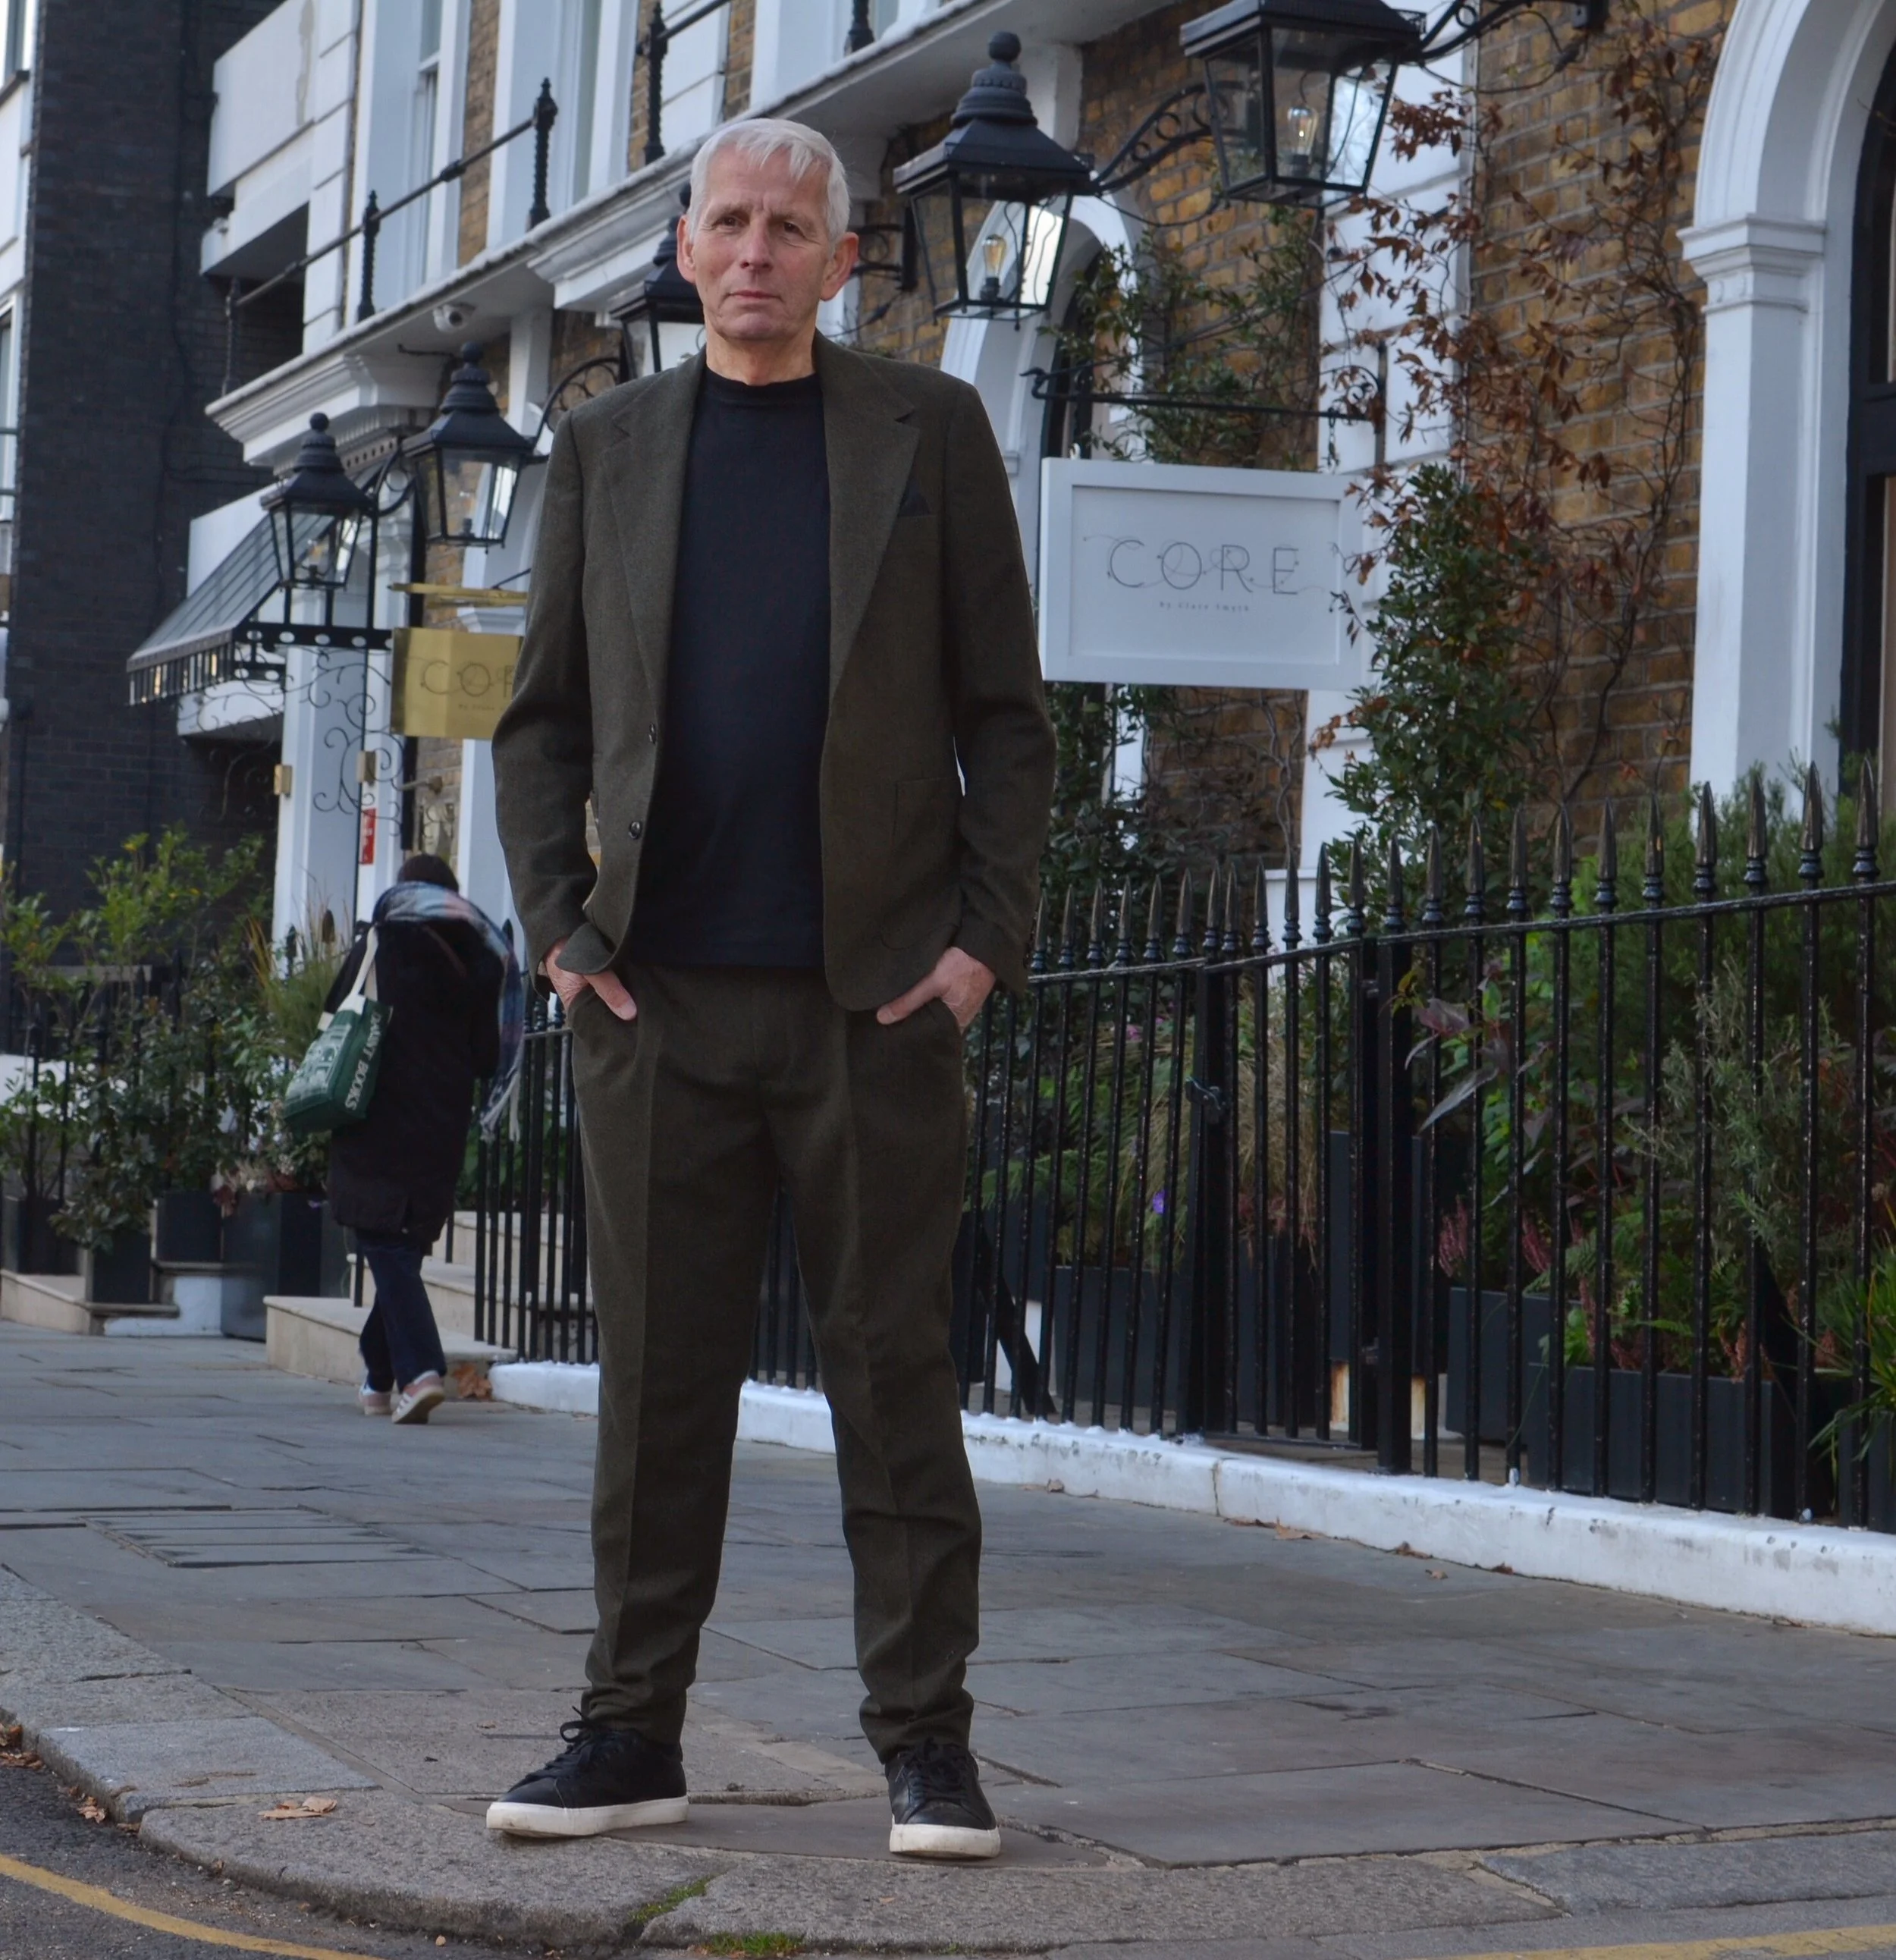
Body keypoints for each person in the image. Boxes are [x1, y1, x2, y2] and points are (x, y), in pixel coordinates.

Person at [487, 113, 1054, 1858]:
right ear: (682, 246)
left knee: (893, 1375)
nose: (753, 252)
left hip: (873, 1001)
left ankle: (926, 1743)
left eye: (787, 227)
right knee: (660, 1386)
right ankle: (627, 1730)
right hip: (656, 1001)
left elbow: (1008, 725)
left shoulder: (930, 433)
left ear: (841, 255)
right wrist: (566, 928)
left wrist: (978, 948)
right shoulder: (605, 447)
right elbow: (545, 724)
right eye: (726, 222)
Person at [325, 853, 513, 1426]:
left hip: (377, 1115)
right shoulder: (483, 955)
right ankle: (378, 1377)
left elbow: (337, 1011)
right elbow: (487, 1056)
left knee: (384, 1247)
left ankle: (422, 1372)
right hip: (440, 1122)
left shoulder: (385, 938)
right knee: (400, 1251)